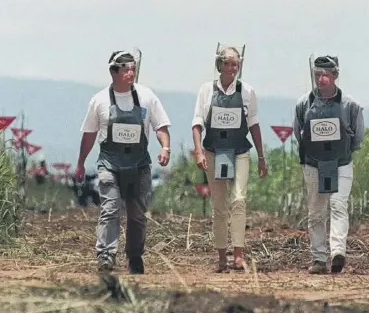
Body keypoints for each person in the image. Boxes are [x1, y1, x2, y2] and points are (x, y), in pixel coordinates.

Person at [75, 50, 171, 274]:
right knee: (110, 209)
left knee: (137, 214)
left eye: (133, 68)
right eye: (126, 68)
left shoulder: (147, 96)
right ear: (113, 72)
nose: (131, 72)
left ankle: (135, 256)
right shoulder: (99, 100)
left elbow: (161, 126)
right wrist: (81, 162)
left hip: (139, 165)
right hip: (109, 164)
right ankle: (106, 255)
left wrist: (165, 147)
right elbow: (89, 135)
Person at [191, 45, 268, 273]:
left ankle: (238, 254)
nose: (231, 68)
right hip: (214, 152)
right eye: (227, 63)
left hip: (240, 152)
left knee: (239, 200)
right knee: (219, 206)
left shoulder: (247, 92)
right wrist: (199, 151)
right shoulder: (206, 90)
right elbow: (197, 124)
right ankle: (221, 256)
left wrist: (261, 156)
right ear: (219, 65)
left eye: (235, 64)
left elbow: (254, 124)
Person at [293, 55, 365, 274]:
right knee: (316, 211)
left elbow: (359, 137)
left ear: (335, 76)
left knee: (338, 205)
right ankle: (318, 258)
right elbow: (298, 133)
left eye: (325, 75)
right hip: (313, 165)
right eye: (317, 75)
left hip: (341, 163)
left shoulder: (350, 105)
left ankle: (337, 253)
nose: (321, 79)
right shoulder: (303, 103)